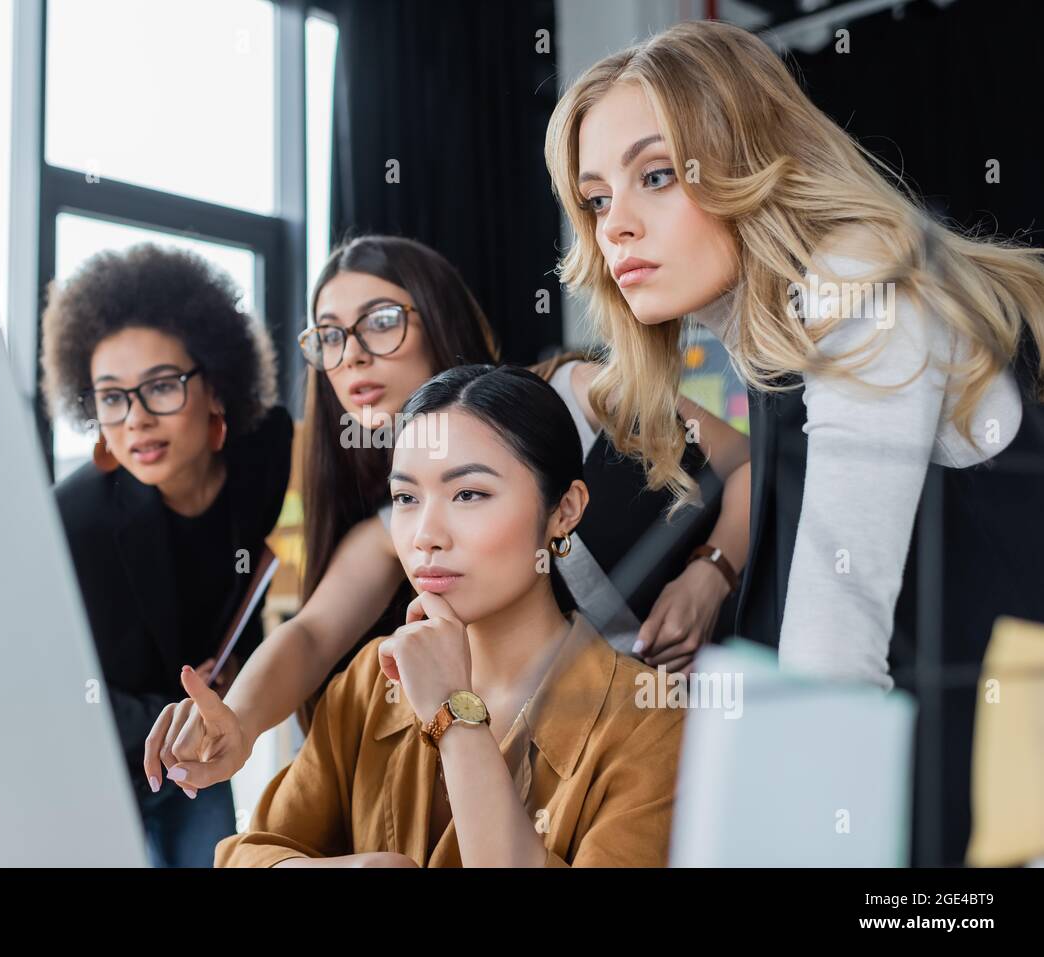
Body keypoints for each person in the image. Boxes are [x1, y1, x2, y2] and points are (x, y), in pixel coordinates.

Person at [544, 18, 1044, 863]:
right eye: (596, 200)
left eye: (656, 176)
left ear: (746, 157)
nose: (613, 227)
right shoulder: (773, 337)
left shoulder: (855, 282)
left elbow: (835, 642)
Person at [143, 235, 748, 802]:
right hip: (609, 758)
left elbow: (746, 464)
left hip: (736, 692)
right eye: (328, 336)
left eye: (381, 322)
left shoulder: (580, 393)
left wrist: (710, 571)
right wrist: (239, 720)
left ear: (437, 318)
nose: (351, 356)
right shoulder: (397, 524)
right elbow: (310, 633)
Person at [215, 365, 684, 867]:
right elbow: (245, 854)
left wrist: (453, 713)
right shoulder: (371, 682)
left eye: (468, 494)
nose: (425, 534)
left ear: (565, 509)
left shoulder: (649, 724)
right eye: (406, 499)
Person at [40, 243, 292, 867]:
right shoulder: (77, 516)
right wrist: (182, 715)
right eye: (112, 397)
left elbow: (240, 594)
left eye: (161, 386)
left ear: (216, 387)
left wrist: (234, 677)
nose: (136, 421)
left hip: (194, 753)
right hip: (100, 759)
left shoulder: (263, 453)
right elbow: (60, 691)